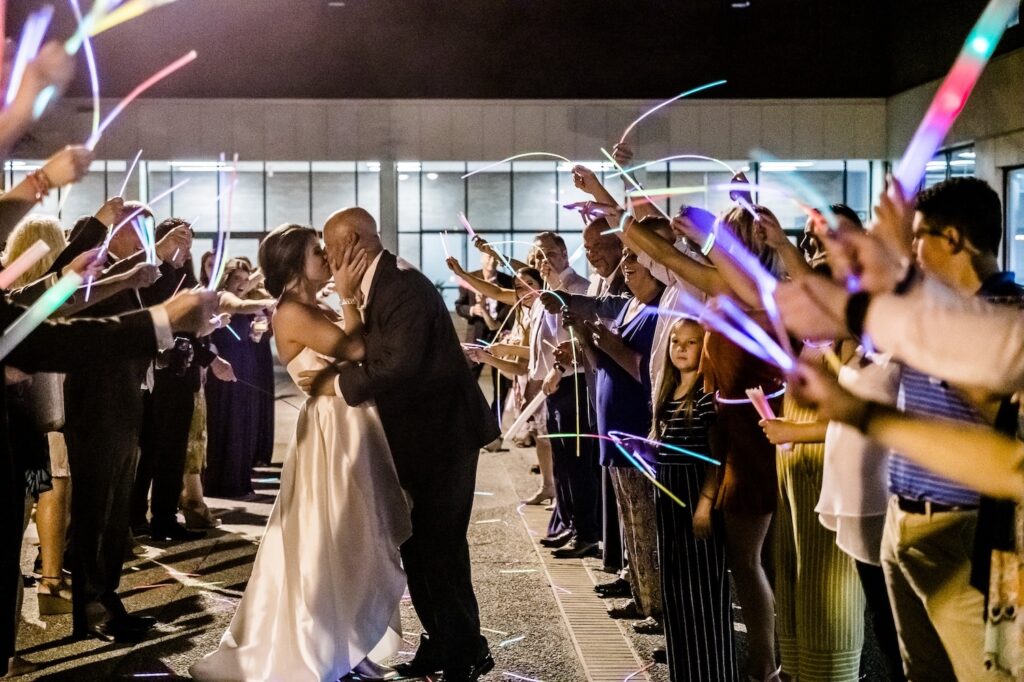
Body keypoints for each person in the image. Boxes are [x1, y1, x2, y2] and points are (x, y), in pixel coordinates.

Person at [191, 224, 409, 681]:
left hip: (353, 421)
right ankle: (321, 645)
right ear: (293, 263)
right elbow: (355, 347)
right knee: (329, 536)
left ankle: (349, 642)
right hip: (331, 430)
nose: (329, 257)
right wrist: (349, 296)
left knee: (357, 536)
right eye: (318, 251)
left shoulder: (317, 304)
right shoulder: (290, 311)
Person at [300, 207, 499, 682]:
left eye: (331, 247)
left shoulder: (402, 285)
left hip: (444, 436)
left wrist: (338, 384)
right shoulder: (376, 283)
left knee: (441, 547)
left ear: (353, 243)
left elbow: (398, 366)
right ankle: (443, 644)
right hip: (419, 437)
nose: (328, 258)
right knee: (416, 547)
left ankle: (466, 652)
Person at [650, 317, 736, 681]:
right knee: (675, 589)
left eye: (690, 343)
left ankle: (711, 671)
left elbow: (715, 458)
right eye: (675, 342)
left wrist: (705, 504)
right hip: (668, 497)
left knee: (701, 591)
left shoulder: (704, 396)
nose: (681, 349)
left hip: (694, 498)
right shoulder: (668, 393)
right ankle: (684, 668)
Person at [203, 259, 275, 499]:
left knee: (244, 424)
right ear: (227, 280)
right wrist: (271, 302)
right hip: (225, 368)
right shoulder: (224, 297)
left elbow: (249, 334)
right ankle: (222, 483)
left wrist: (255, 333)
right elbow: (241, 306)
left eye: (246, 280)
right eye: (238, 279)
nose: (243, 284)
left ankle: (239, 481)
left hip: (246, 365)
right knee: (226, 423)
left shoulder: (242, 300)